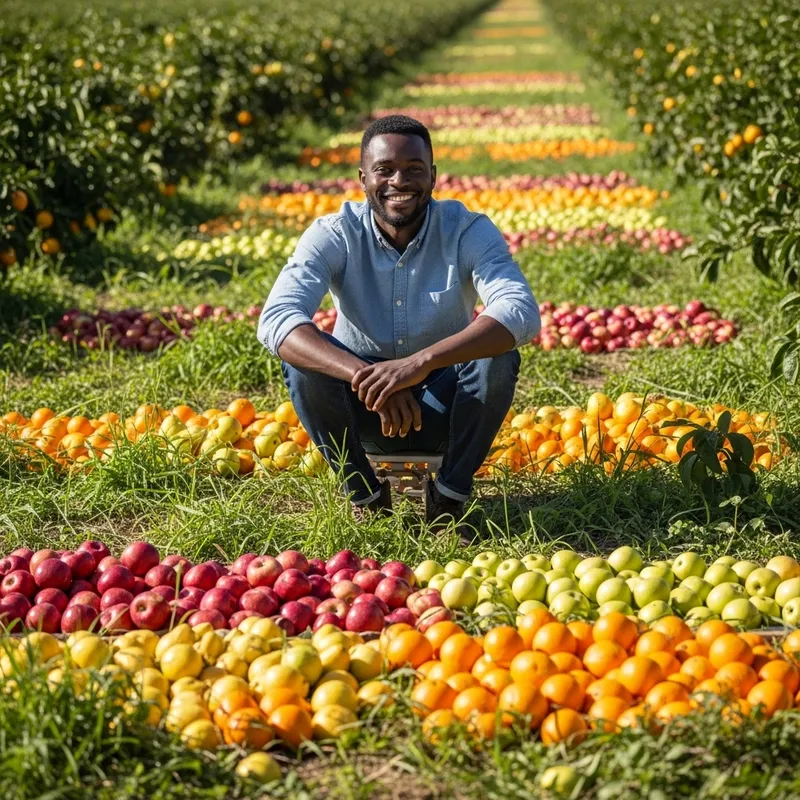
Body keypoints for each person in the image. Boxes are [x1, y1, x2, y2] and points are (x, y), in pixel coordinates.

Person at [258, 114, 540, 537]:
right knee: (303, 364)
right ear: (362, 178)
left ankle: (448, 498)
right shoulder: (334, 233)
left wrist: (421, 363)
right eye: (384, 170)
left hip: (444, 400)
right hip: (359, 404)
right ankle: (367, 497)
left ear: (433, 176)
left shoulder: (466, 230)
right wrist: (367, 377)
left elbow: (520, 311)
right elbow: (278, 319)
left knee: (496, 359)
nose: (399, 181)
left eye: (414, 169)